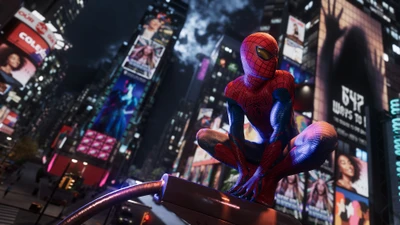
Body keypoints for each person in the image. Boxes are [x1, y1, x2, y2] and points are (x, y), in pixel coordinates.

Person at [196, 32, 338, 205]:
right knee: (204, 137)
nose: (272, 61)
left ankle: (271, 176)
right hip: (258, 149)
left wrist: (261, 173)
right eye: (264, 54)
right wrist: (243, 170)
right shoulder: (234, 90)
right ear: (247, 55)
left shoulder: (282, 80)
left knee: (324, 134)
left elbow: (279, 131)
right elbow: (236, 132)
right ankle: (256, 175)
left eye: (275, 56)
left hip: (289, 149)